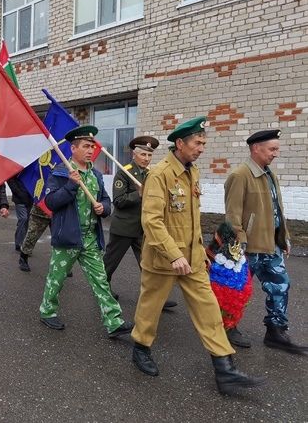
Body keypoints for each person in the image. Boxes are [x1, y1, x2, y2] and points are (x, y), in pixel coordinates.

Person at [131, 116, 264, 395]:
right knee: (150, 308)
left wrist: (200, 251)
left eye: (203, 142)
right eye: (197, 142)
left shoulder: (192, 172)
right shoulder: (160, 174)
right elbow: (152, 221)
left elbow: (190, 219)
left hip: (192, 260)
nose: (201, 148)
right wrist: (173, 254)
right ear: (180, 143)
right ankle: (141, 348)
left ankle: (224, 370)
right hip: (164, 260)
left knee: (208, 309)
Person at [39, 125, 133, 338]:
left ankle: (114, 321)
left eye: (92, 146)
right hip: (68, 238)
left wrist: (103, 208)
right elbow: (51, 202)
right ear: (73, 149)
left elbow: (107, 200)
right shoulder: (61, 173)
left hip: (90, 238)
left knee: (101, 280)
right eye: (85, 146)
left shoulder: (96, 175)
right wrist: (71, 186)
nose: (91, 150)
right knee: (57, 278)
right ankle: (47, 311)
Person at [224, 129, 307, 353]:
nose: (276, 154)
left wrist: (285, 236)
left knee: (280, 286)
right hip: (248, 248)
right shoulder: (240, 175)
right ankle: (227, 328)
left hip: (271, 245)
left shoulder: (270, 174)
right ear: (255, 148)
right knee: (238, 290)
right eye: (272, 149)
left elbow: (277, 209)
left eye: (276, 149)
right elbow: (232, 214)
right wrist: (239, 244)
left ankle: (275, 331)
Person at [102, 136, 177, 309]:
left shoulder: (150, 173)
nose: (146, 158)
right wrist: (139, 194)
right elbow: (119, 201)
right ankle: (102, 289)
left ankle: (157, 298)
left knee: (148, 265)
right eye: (143, 155)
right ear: (134, 155)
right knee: (110, 263)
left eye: (149, 156)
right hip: (124, 228)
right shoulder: (124, 172)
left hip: (143, 228)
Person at [18, 203, 51, 272]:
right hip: (40, 211)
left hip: (59, 211)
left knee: (61, 237)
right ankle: (23, 257)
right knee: (32, 235)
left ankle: (62, 263)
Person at [6, 176, 33, 252]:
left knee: (27, 221)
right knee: (23, 219)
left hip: (30, 199)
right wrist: (20, 194)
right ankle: (19, 243)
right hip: (20, 200)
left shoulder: (29, 168)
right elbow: (10, 181)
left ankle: (25, 244)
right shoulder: (15, 169)